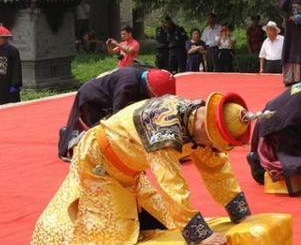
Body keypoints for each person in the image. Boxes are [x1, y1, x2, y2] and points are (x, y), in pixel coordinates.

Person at [32, 92, 261, 245]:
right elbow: (171, 184)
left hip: (130, 171)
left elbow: (216, 167)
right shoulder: (163, 129)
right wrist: (201, 236)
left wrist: (241, 214)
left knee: (164, 223)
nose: (210, 148)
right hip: (98, 165)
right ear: (206, 126)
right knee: (113, 236)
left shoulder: (198, 120)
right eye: (213, 143)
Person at [57, 67, 175, 161]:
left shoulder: (148, 75)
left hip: (107, 95)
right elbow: (117, 118)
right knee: (100, 133)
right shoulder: (127, 86)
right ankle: (72, 139)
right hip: (92, 99)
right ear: (150, 88)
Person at [0, 25, 22, 106]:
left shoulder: (13, 51)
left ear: (5, 38)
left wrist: (15, 84)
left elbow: (16, 69)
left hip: (9, 83)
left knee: (11, 106)